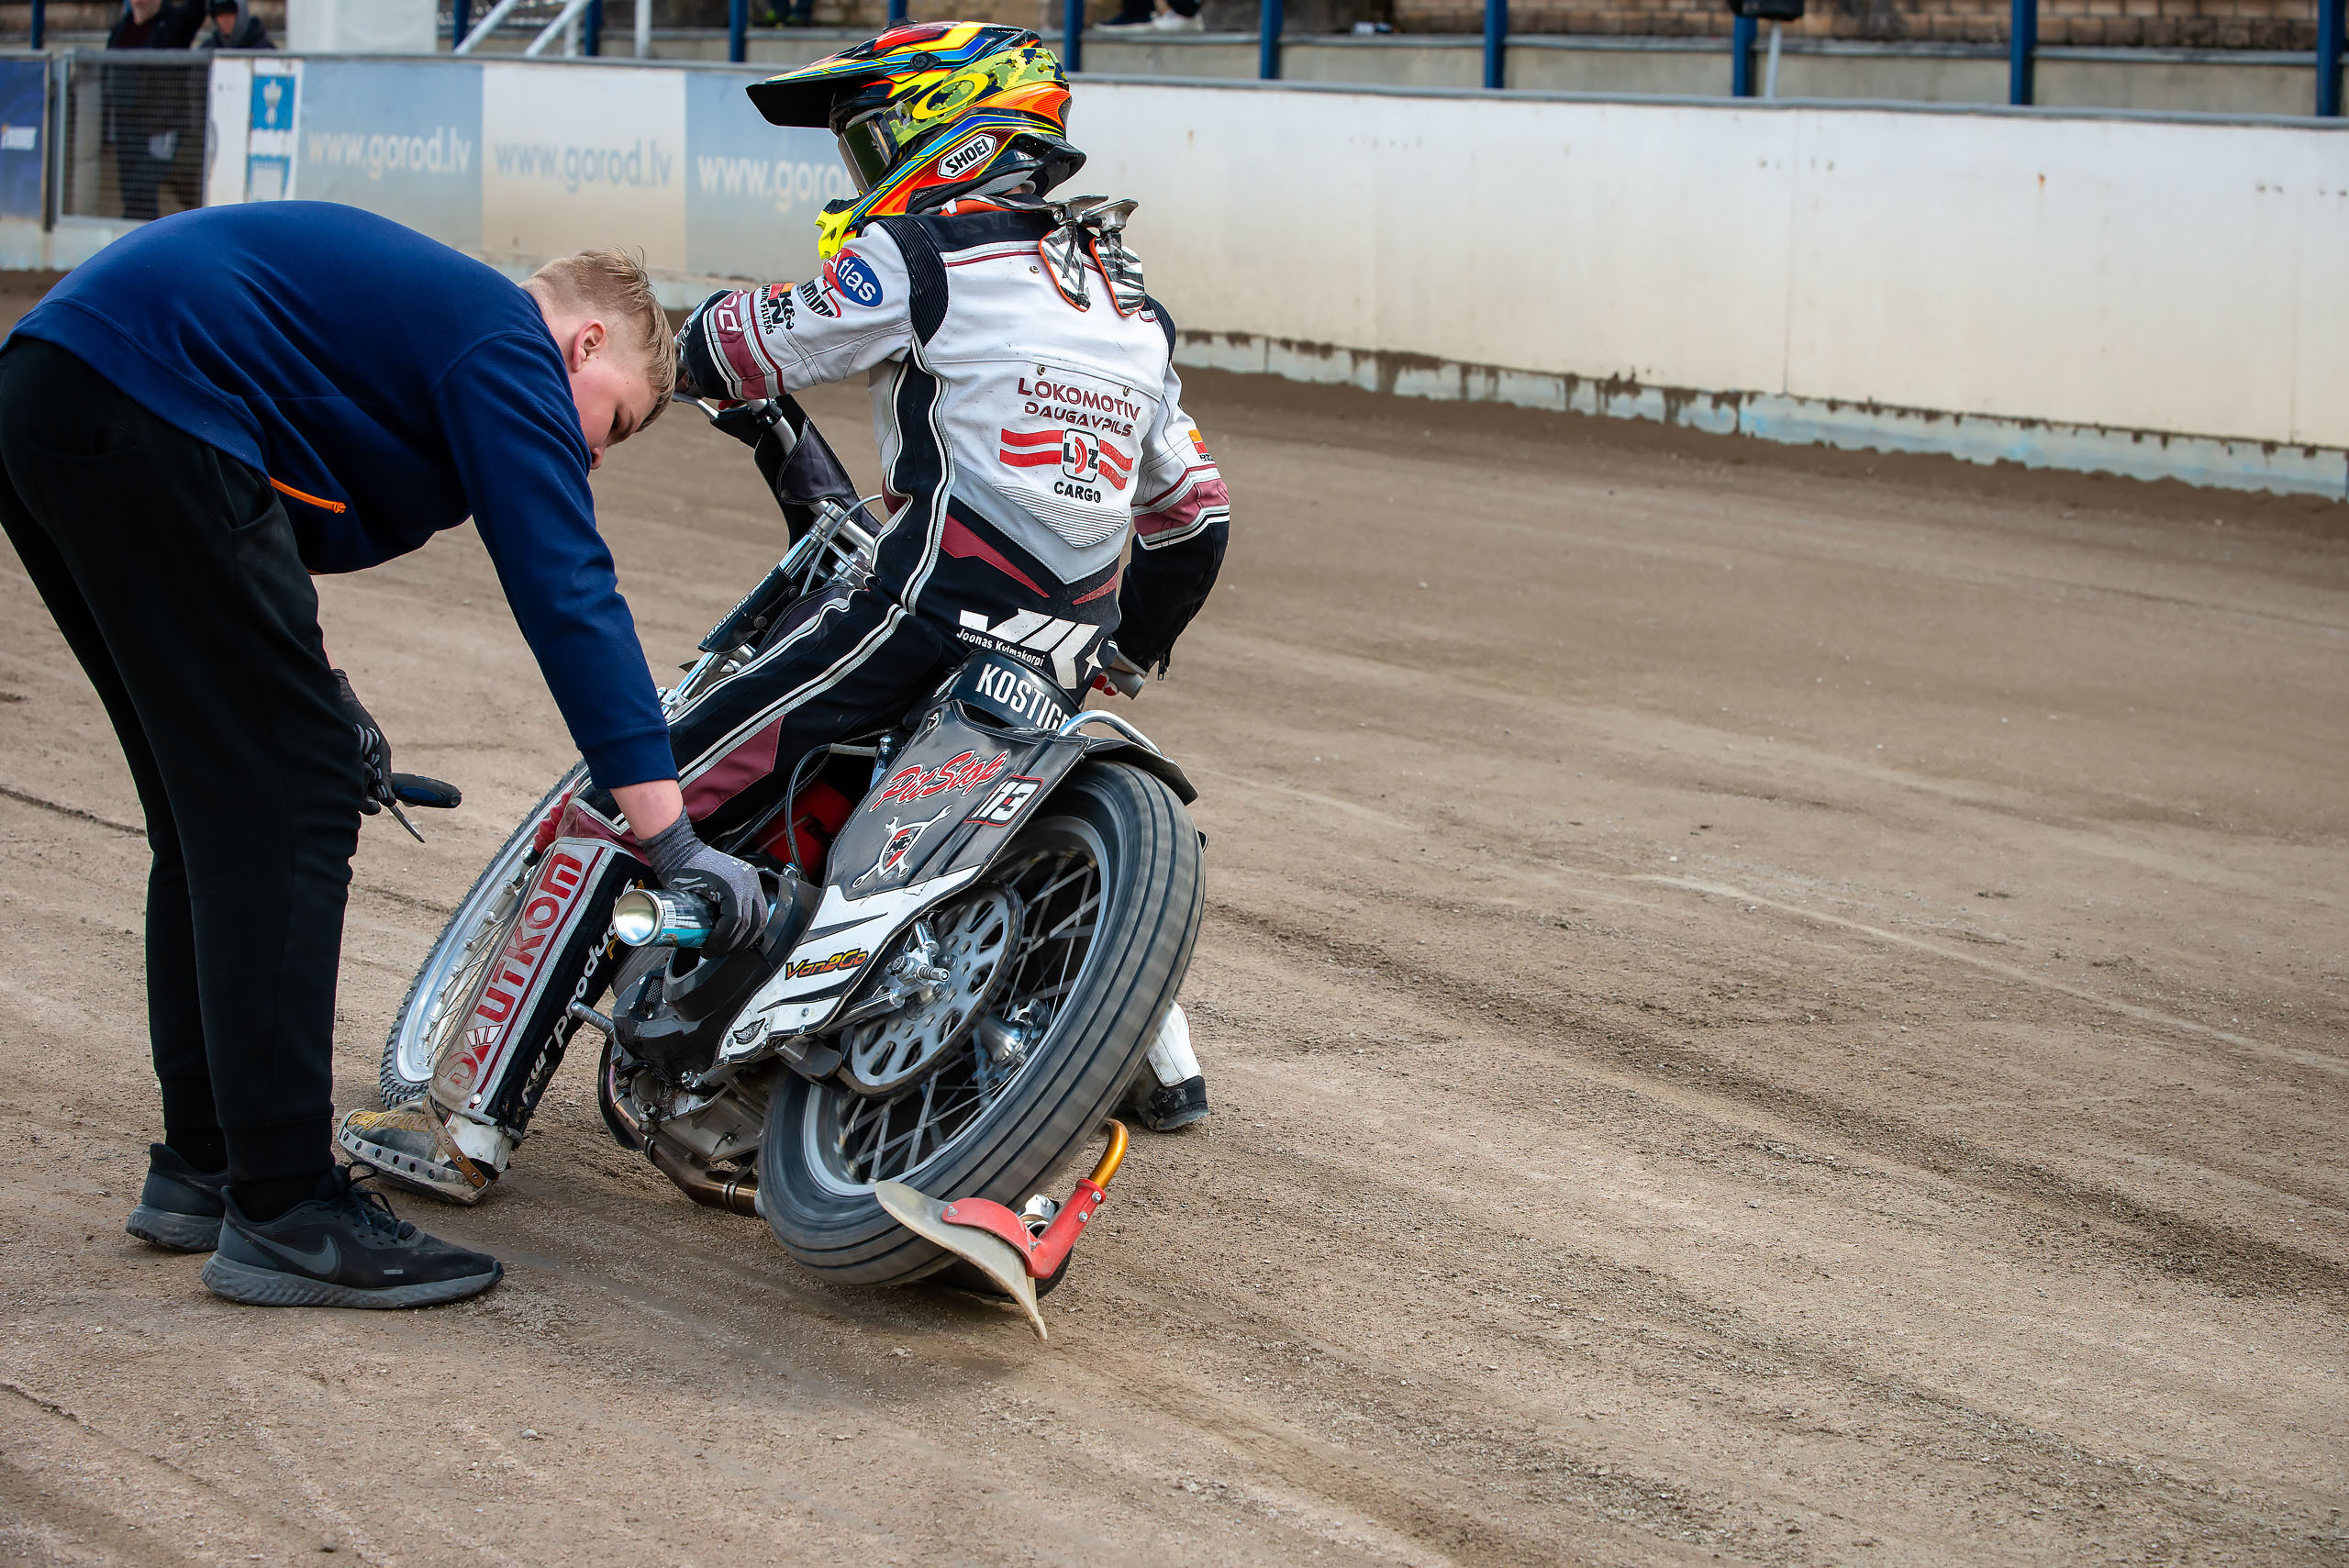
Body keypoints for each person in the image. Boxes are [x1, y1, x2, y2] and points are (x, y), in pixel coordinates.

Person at [341, 21, 1229, 1206]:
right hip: (1056, 656)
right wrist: (1125, 647)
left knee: (632, 796)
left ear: (951, 124)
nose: (866, 173)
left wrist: (668, 359)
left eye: (876, 137)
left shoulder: (931, 253)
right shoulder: (1133, 311)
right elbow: (1194, 521)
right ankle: (1148, 1066)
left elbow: (751, 344)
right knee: (973, 815)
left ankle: (462, 1122)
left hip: (918, 613)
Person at [0, 205, 765, 1307]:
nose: (590, 454)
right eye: (615, 423)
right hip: (146, 396)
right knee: (287, 808)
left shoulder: (429, 330)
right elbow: (567, 591)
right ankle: (286, 1213)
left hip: (59, 385)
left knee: (209, 808)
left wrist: (324, 695)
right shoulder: (506, 340)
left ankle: (206, 1164)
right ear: (586, 342)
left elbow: (249, 525)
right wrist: (672, 832)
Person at [106, 0, 206, 221]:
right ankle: (134, 237)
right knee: (131, 191)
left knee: (144, 188)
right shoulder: (121, 30)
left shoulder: (173, 24)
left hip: (160, 127)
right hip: (126, 126)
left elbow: (196, 11)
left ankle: (142, 239)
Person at [199, 0, 274, 50]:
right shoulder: (208, 49)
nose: (225, 20)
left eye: (230, 13)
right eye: (219, 14)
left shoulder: (264, 49)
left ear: (242, 13)